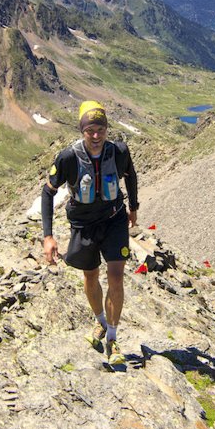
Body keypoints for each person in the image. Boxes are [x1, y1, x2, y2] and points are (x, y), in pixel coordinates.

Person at [41, 101, 139, 365]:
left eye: (101, 129)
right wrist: (48, 235)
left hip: (114, 219)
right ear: (82, 130)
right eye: (90, 130)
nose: (96, 136)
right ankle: (101, 322)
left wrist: (133, 208)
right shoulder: (68, 158)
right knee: (90, 275)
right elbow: (47, 192)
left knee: (116, 275)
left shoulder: (118, 151)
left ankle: (113, 339)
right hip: (83, 224)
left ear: (107, 129)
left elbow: (130, 175)